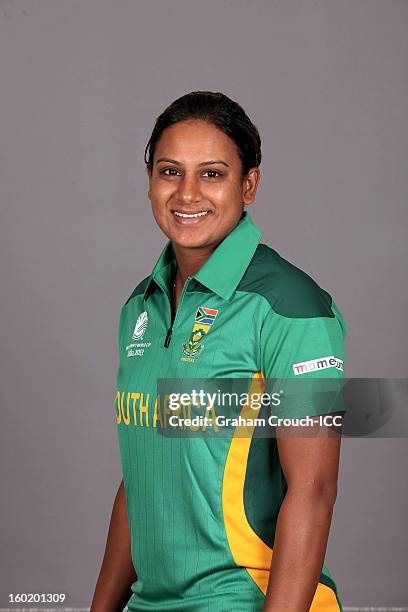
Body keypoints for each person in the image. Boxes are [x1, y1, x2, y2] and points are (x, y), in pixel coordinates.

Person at [91, 91, 347, 612]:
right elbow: (143, 477)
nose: (187, 194)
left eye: (211, 173)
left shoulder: (290, 305)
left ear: (247, 184)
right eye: (169, 172)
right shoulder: (140, 307)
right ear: (149, 182)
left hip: (243, 600)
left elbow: (314, 489)